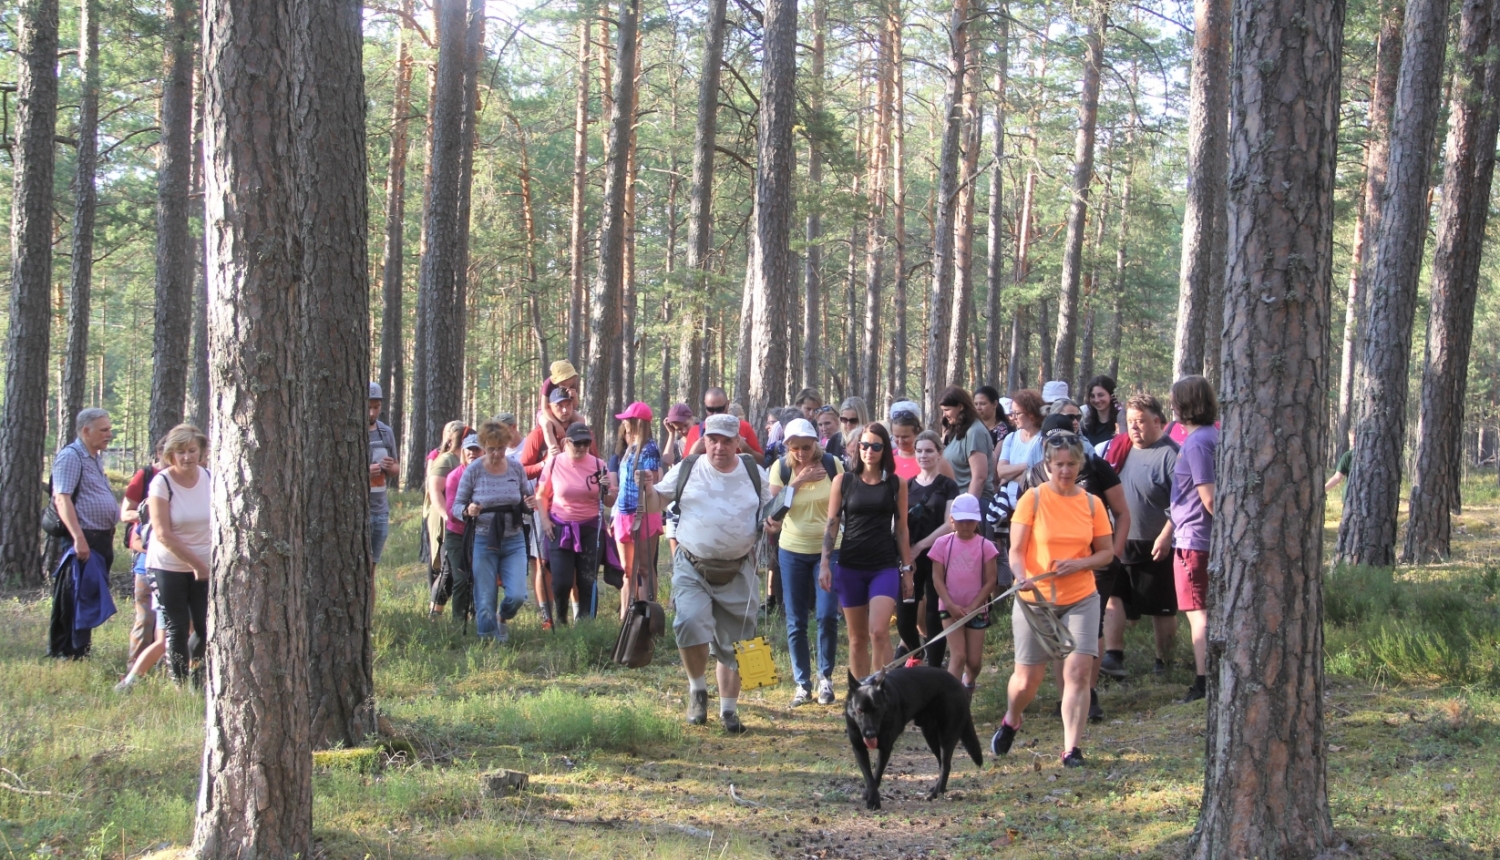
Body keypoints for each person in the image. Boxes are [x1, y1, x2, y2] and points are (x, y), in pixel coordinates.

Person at [639, 413, 773, 733]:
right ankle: (697, 690)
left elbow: (771, 508)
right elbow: (656, 502)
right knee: (688, 623)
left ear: (737, 442)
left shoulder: (754, 472)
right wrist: (645, 488)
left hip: (739, 568)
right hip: (692, 564)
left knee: (738, 642)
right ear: (705, 440)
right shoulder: (687, 468)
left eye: (727, 440)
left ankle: (729, 711)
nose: (719, 447)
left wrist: (773, 521)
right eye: (713, 440)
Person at [993, 432, 1114, 768]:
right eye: (1058, 464)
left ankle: (1071, 749)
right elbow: (1015, 551)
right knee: (1027, 680)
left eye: (1071, 464)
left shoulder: (1092, 503)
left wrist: (1079, 563)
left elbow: (1106, 553)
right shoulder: (1032, 499)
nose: (1065, 470)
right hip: (1037, 599)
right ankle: (1012, 718)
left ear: (1080, 465)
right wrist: (1021, 577)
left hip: (1081, 597)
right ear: (1046, 466)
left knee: (1078, 672)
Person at [1022, 410, 1131, 722]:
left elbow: (1122, 512)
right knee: (1061, 630)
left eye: (1065, 439)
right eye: (1052, 441)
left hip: (1096, 561)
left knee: (1089, 627)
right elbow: (1022, 525)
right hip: (1054, 567)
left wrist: (1115, 551)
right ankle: (1065, 696)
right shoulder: (1034, 474)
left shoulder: (1097, 465)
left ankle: (1087, 693)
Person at [821, 422, 915, 679]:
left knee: (879, 632)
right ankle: (861, 692)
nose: (869, 451)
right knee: (856, 638)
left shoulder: (897, 484)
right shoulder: (844, 481)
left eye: (876, 446)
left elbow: (903, 529)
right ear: (857, 447)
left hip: (883, 566)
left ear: (885, 449)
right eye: (864, 445)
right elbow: (832, 524)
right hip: (850, 565)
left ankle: (883, 690)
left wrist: (907, 570)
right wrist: (824, 564)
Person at [1101, 394, 1180, 682]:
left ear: (1158, 421)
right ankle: (1113, 655)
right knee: (1115, 596)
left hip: (1155, 542)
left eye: (1141, 422)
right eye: (1130, 422)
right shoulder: (1120, 448)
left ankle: (1165, 661)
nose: (1134, 428)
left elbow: (1182, 502)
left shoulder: (1171, 454)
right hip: (1119, 539)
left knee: (1161, 605)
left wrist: (1166, 536)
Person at [767, 418, 844, 707]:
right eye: (796, 448)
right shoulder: (782, 469)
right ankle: (803, 683)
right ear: (787, 446)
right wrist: (797, 483)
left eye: (807, 447)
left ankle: (826, 677)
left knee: (826, 615)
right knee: (796, 619)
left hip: (829, 550)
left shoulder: (834, 465)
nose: (802, 453)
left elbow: (845, 504)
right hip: (792, 550)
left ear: (816, 443)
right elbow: (772, 513)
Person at [451, 421, 537, 643]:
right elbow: (456, 507)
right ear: (484, 446)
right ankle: (487, 641)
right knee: (485, 595)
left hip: (514, 538)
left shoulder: (516, 468)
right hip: (483, 539)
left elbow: (527, 497)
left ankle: (503, 616)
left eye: (501, 448)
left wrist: (531, 502)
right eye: (491, 449)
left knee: (518, 594)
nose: (497, 453)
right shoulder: (474, 470)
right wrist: (468, 510)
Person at [48, 408, 120, 659]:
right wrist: (78, 539)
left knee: (89, 595)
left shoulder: (94, 457)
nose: (109, 434)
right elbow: (62, 499)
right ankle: (67, 651)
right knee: (75, 596)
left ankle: (81, 649)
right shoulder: (71, 457)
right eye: (104, 430)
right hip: (83, 539)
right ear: (86, 431)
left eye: (109, 429)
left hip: (100, 539)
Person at [146, 424, 213, 685]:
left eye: (192, 450)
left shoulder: (209, 477)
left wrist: (204, 564)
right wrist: (196, 564)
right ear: (171, 455)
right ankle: (179, 685)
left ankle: (197, 679)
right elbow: (163, 533)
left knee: (206, 625)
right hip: (168, 565)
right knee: (177, 626)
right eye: (181, 452)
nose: (187, 457)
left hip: (204, 565)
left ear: (201, 452)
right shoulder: (161, 483)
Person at [1168, 375, 1218, 703]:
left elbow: (1210, 498)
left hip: (1194, 540)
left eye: (1175, 400)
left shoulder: (1198, 442)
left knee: (1197, 612)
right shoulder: (1214, 435)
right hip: (1198, 538)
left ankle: (1204, 682)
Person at [539, 423, 613, 624]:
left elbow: (609, 501)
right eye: (577, 443)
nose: (581, 447)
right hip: (560, 527)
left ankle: (585, 624)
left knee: (587, 580)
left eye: (586, 443)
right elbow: (541, 495)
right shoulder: (553, 463)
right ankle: (561, 618)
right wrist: (545, 521)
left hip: (590, 528)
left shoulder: (599, 465)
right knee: (561, 581)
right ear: (566, 442)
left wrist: (607, 489)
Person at [899, 431, 961, 669]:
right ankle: (916, 653)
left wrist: (921, 545)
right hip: (909, 560)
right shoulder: (906, 486)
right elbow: (899, 522)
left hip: (938, 557)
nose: (923, 455)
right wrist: (907, 552)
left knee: (935, 614)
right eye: (919, 451)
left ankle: (935, 668)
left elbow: (949, 523)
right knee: (905, 617)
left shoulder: (948, 486)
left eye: (929, 451)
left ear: (939, 453)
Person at [929, 494, 999, 696]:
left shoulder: (986, 546)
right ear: (952, 519)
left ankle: (968, 681)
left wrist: (975, 605)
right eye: (961, 520)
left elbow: (990, 580)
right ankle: (950, 701)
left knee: (974, 662)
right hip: (950, 609)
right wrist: (950, 604)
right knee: (958, 656)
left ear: (977, 520)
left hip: (976, 610)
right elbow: (937, 578)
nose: (966, 525)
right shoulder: (942, 544)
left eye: (970, 520)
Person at [610, 402, 662, 617]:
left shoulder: (649, 448)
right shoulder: (629, 448)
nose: (624, 424)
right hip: (624, 513)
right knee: (627, 570)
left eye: (627, 419)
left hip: (642, 513)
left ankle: (647, 614)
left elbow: (651, 478)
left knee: (644, 569)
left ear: (637, 423)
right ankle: (626, 615)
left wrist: (648, 478)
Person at [120, 442, 165, 668]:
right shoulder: (146, 475)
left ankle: (167, 667)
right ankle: (134, 667)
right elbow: (125, 512)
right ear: (159, 453)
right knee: (145, 617)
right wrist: (148, 515)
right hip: (146, 556)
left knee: (169, 622)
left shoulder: (191, 475)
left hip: (176, 563)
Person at [426, 420, 468, 618]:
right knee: (448, 569)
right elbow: (434, 490)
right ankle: (435, 612)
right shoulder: (446, 460)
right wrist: (446, 516)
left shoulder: (464, 460)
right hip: (445, 520)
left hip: (461, 520)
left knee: (456, 568)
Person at [442, 434, 483, 622]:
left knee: (480, 578)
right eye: (469, 449)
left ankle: (480, 617)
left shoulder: (489, 474)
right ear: (463, 452)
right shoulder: (454, 477)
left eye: (477, 449)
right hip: (457, 534)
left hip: (482, 533)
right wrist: (467, 511)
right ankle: (458, 621)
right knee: (461, 578)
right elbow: (450, 510)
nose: (473, 453)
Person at [937, 386, 994, 502]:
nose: (944, 415)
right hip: (957, 501)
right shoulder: (960, 431)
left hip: (973, 503)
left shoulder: (975, 432)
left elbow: (979, 477)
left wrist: (968, 508)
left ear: (961, 407)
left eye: (947, 410)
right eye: (943, 410)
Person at [367, 382, 400, 572]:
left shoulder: (385, 432)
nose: (372, 413)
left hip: (380, 510)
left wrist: (390, 467)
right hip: (359, 511)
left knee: (371, 569)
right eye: (369, 407)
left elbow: (396, 468)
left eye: (376, 407)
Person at [684, 387, 764, 456]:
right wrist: (693, 453)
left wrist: (746, 449)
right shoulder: (695, 431)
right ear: (705, 406)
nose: (715, 414)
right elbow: (683, 469)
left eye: (719, 409)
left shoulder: (743, 427)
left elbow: (761, 462)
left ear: (727, 404)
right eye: (710, 409)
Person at [537, 360, 583, 456]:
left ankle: (577, 444)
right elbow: (544, 408)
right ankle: (554, 450)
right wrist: (557, 425)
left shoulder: (573, 384)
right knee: (546, 424)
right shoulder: (548, 384)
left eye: (568, 384)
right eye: (563, 384)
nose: (566, 386)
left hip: (565, 409)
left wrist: (574, 397)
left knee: (581, 419)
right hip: (546, 412)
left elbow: (574, 406)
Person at [1080, 375, 1124, 451]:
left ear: (1111, 395)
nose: (1096, 400)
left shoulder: (1122, 422)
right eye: (1092, 396)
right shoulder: (1086, 425)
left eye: (1101, 395)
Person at [973, 385, 1013, 449]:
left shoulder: (1004, 430)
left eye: (982, 404)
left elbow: (996, 457)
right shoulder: (971, 427)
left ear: (994, 404)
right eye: (976, 404)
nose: (978, 408)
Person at [834, 397, 870, 468]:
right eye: (844, 419)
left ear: (862, 419)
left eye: (853, 420)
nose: (848, 424)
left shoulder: (870, 442)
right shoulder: (834, 440)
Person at [661, 402, 694, 469]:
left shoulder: (703, 438)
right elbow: (667, 461)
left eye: (686, 425)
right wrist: (671, 433)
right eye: (679, 429)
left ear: (692, 419)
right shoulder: (676, 446)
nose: (684, 431)